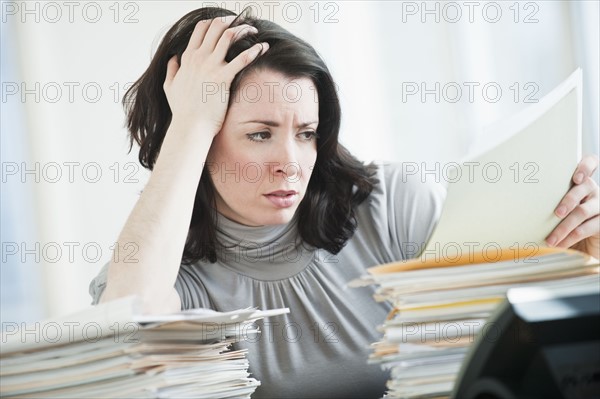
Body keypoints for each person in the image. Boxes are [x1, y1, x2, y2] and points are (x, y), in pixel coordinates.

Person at [89, 7, 600, 398]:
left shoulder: (392, 207)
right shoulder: (159, 271)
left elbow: (510, 345)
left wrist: (585, 249)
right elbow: (130, 335)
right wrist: (190, 122)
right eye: (260, 134)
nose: (291, 161)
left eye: (307, 133)